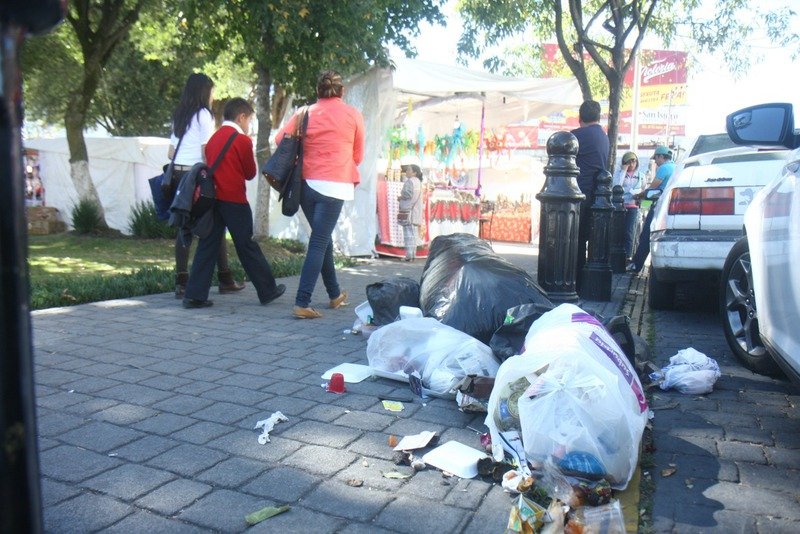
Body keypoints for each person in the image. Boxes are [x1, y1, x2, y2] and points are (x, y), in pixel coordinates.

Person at [274, 70, 365, 319]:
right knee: (319, 240)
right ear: (342, 91)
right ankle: (302, 301)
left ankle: (334, 294)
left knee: (322, 238)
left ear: (318, 91)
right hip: (335, 184)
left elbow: (278, 139)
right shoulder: (353, 114)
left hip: (305, 184)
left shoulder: (304, 113)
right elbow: (358, 155)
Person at [182, 98, 286, 309]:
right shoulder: (242, 141)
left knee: (207, 245)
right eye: (249, 120)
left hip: (213, 200)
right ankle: (267, 290)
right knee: (246, 245)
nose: (249, 125)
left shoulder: (212, 140)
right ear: (241, 117)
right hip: (234, 200)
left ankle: (194, 295)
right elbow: (250, 173)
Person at [168, 73, 243, 298]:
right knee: (214, 224)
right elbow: (206, 151)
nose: (213, 96)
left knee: (184, 228)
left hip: (178, 177)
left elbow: (170, 152)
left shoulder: (179, 114)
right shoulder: (204, 115)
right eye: (211, 91)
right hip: (195, 177)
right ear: (204, 91)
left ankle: (181, 282)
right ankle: (225, 278)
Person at [571, 100, 610, 280]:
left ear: (580, 117)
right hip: (596, 193)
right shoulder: (603, 136)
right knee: (585, 239)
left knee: (573, 241)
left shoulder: (576, 136)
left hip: (578, 193)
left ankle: (573, 278)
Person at [627, 145, 676, 273]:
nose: (655, 162)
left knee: (646, 235)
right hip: (670, 208)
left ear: (661, 156)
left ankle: (636, 265)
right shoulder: (676, 167)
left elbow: (652, 189)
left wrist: (638, 196)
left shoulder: (664, 168)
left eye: (656, 159)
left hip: (658, 206)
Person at [613, 151, 644, 258]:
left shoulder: (640, 176)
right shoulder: (619, 173)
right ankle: (617, 255)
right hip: (620, 205)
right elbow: (617, 186)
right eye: (629, 162)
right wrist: (623, 171)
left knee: (629, 232)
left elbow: (644, 191)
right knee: (618, 232)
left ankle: (628, 256)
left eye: (634, 162)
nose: (632, 165)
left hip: (633, 206)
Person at [398, 164, 424, 262]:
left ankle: (409, 256)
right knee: (413, 234)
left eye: (409, 170)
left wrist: (400, 197)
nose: (407, 172)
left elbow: (407, 195)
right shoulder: (418, 182)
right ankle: (412, 255)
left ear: (414, 173)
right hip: (415, 211)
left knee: (408, 234)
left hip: (409, 210)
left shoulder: (410, 182)